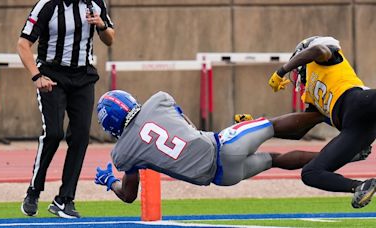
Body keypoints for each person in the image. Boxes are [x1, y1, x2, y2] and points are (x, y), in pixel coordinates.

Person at [92, 90, 370, 203]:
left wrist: (109, 182)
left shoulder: (122, 154)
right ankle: (330, 111)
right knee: (272, 126)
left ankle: (348, 155)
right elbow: (184, 123)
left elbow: (129, 195)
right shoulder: (157, 100)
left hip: (222, 178)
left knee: (273, 160)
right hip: (223, 143)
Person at [17, 0, 115, 218]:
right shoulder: (47, 5)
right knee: (53, 133)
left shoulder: (95, 3)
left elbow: (110, 38)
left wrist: (101, 25)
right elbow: (23, 44)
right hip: (52, 74)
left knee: (80, 136)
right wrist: (37, 76)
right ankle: (34, 191)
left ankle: (64, 199)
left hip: (83, 76)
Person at [267, 36, 376, 209]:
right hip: (357, 129)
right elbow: (297, 131)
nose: (296, 74)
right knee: (310, 173)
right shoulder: (313, 97)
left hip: (360, 103)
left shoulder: (322, 56)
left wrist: (282, 71)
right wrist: (255, 126)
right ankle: (360, 186)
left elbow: (318, 51)